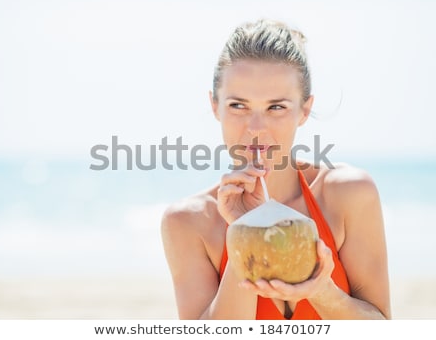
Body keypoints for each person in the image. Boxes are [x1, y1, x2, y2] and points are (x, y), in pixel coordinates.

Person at [161, 19, 391, 320]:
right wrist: (245, 231)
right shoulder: (188, 222)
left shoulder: (349, 194)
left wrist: (320, 291)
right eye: (238, 106)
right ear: (215, 106)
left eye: (276, 107)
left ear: (304, 111)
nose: (256, 128)